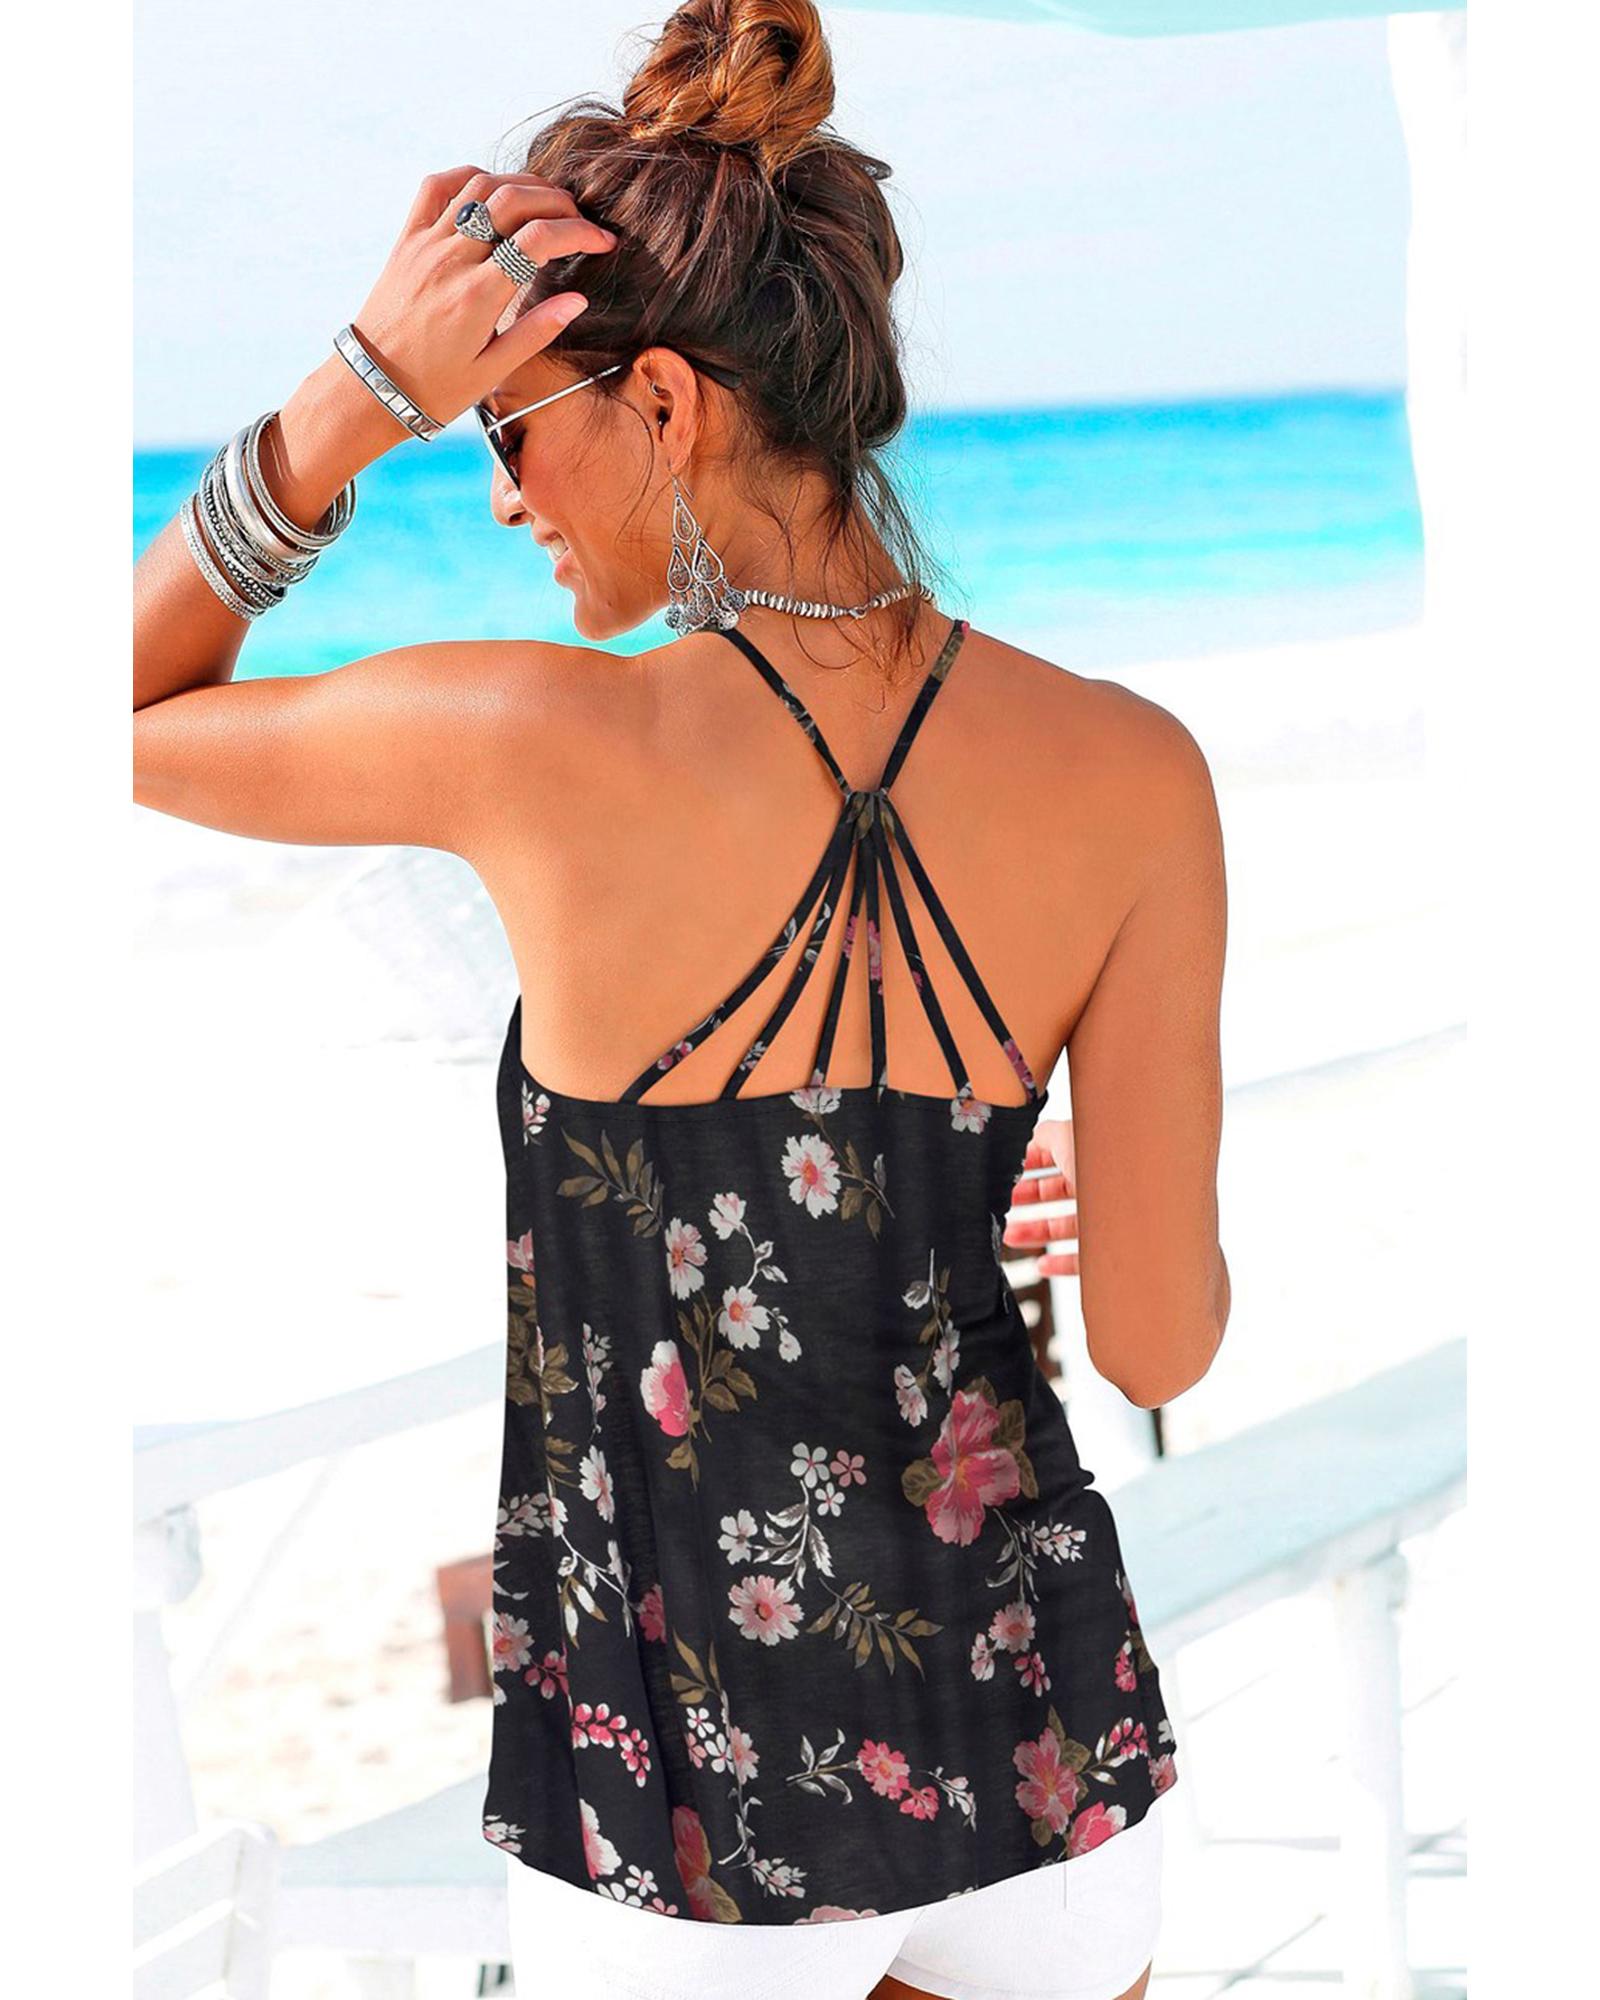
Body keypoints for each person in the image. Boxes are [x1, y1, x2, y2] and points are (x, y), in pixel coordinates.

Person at [133, 4, 1229, 1995]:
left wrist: (353, 397)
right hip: (1047, 1768)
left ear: (662, 399)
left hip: (687, 1821)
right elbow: (1160, 1341)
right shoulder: (1137, 770)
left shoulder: (527, 737)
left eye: (504, 430)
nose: (501, 493)